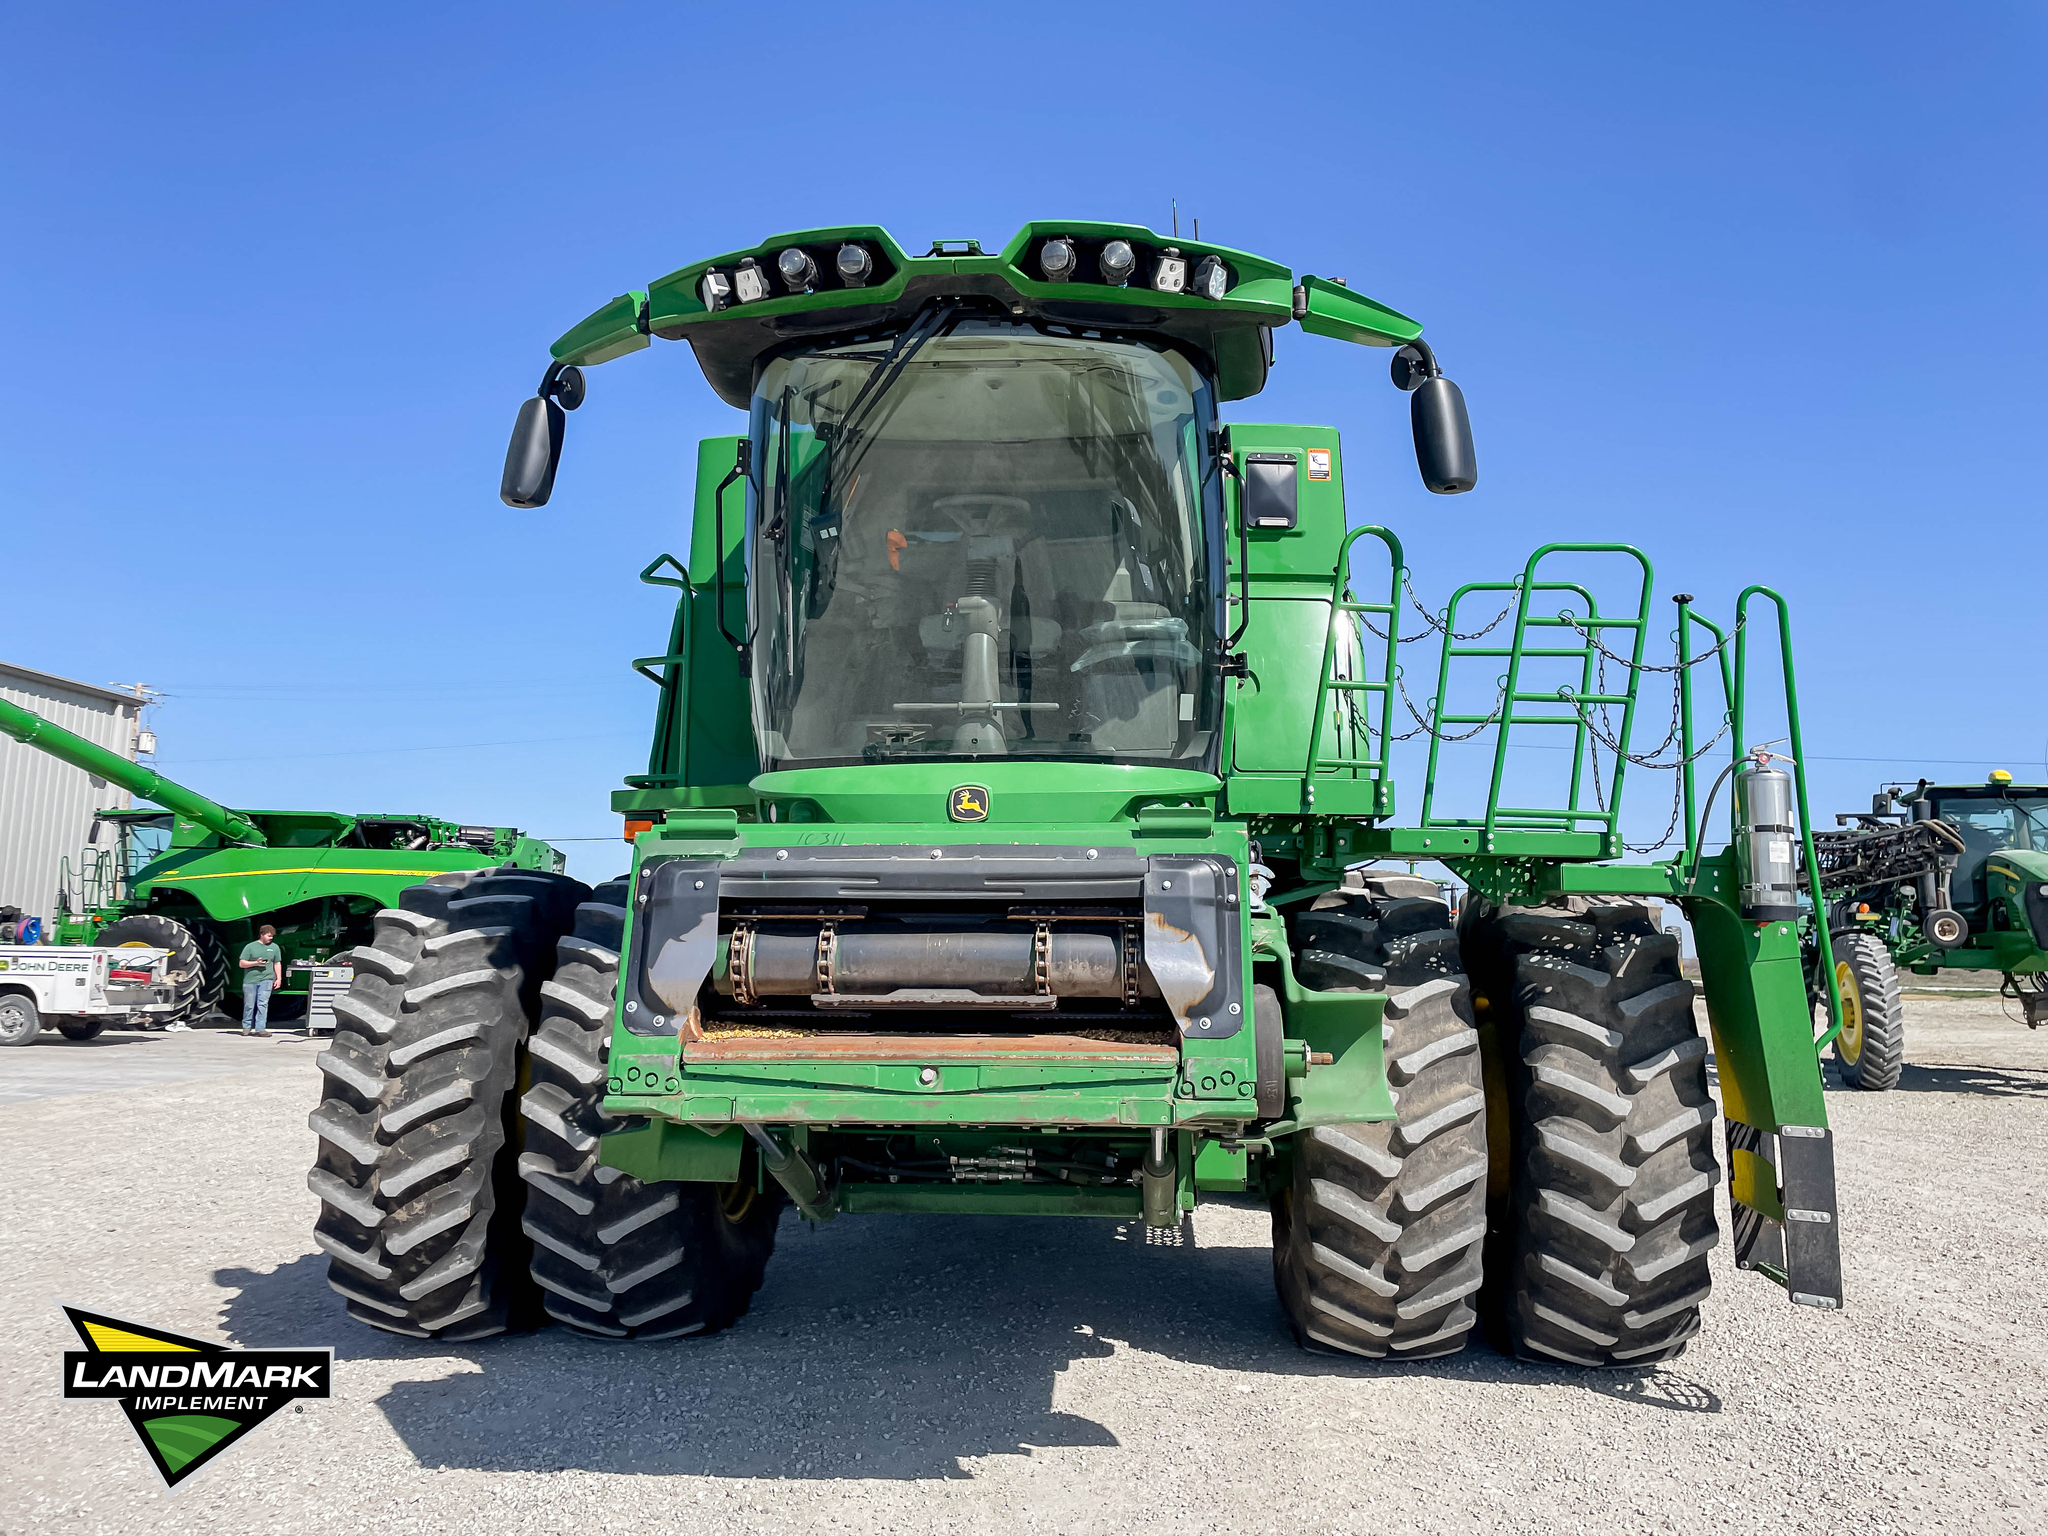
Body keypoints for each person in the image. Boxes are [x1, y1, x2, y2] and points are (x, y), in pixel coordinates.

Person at [238, 924, 282, 1037]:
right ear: (261, 935)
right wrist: (255, 963)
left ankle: (260, 1029)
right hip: (250, 981)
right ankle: (246, 1028)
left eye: (272, 936)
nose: (271, 938)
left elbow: (277, 963)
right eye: (268, 936)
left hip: (267, 979)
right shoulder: (250, 947)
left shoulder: (275, 947)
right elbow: (242, 963)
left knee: (263, 1004)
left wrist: (278, 978)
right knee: (249, 1005)